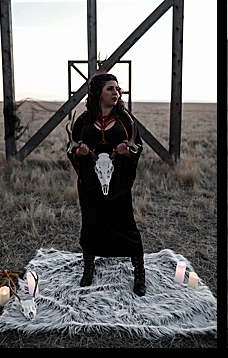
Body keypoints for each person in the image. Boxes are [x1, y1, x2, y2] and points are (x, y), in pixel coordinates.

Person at [67, 72, 145, 296]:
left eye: (117, 89)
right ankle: (88, 269)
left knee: (127, 224)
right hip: (91, 181)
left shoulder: (125, 120)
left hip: (118, 179)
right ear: (98, 92)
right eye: (110, 88)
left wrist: (126, 153)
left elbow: (136, 146)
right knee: (91, 223)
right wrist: (80, 153)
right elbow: (72, 146)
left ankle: (139, 273)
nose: (116, 92)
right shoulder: (83, 121)